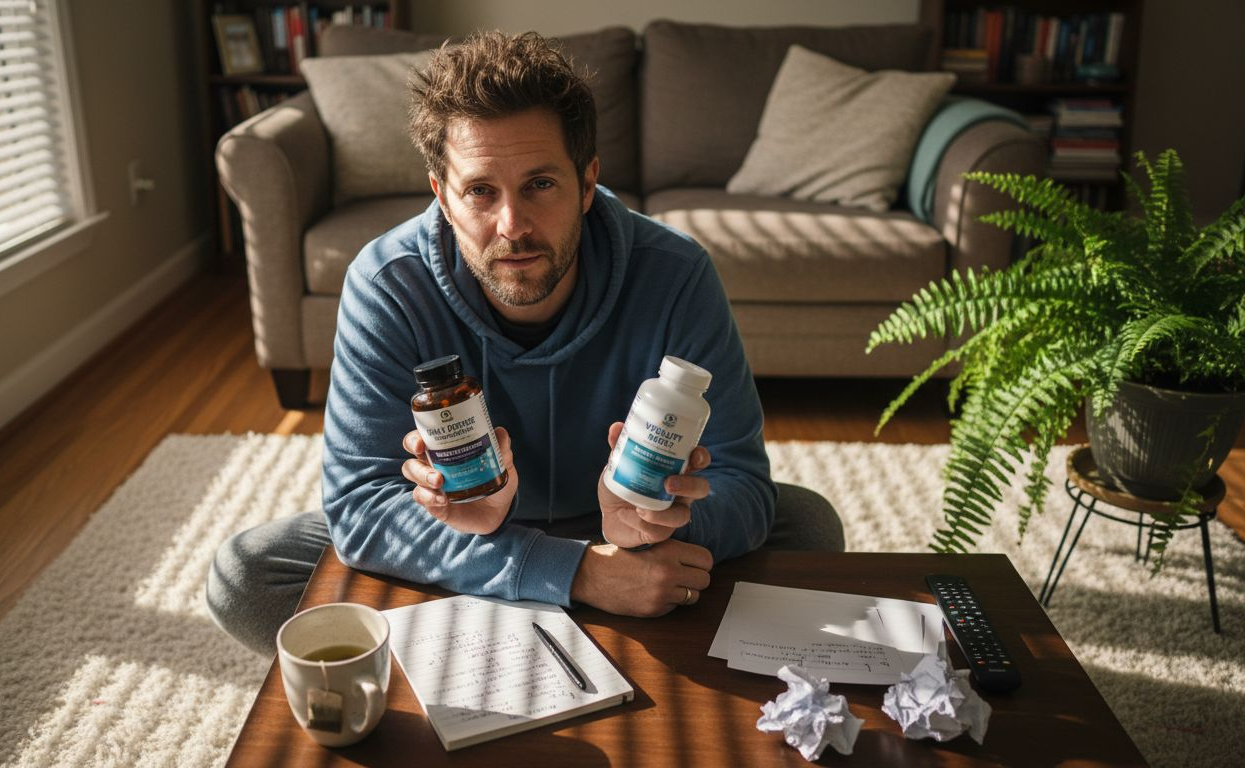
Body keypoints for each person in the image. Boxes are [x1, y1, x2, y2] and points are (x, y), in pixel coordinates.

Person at [208, 31, 844, 656]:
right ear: (442, 195)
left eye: (540, 184)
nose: (511, 226)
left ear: (587, 182)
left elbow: (743, 482)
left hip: (618, 538)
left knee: (805, 527)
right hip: (479, 536)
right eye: (480, 191)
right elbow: (359, 507)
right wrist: (578, 573)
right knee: (248, 575)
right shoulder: (387, 284)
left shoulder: (676, 274)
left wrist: (656, 522)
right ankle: (595, 633)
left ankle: (503, 649)